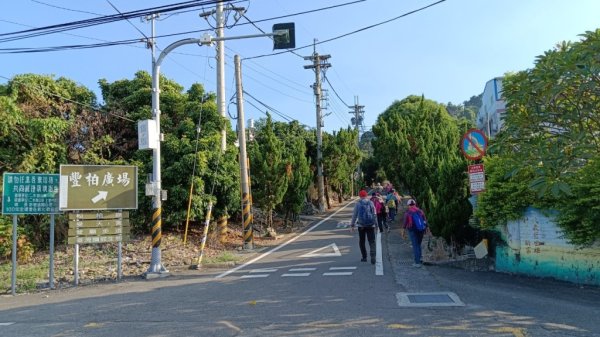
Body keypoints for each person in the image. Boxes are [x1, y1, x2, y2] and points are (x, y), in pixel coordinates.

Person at [351, 190, 377, 264]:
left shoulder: (358, 204)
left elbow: (354, 215)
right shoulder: (371, 203)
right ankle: (373, 256)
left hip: (361, 226)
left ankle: (364, 257)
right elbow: (374, 214)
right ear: (366, 195)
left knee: (362, 241)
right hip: (370, 225)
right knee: (372, 241)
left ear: (360, 196)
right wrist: (376, 224)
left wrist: (352, 225)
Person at [402, 199, 428, 267]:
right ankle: (420, 258)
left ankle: (417, 262)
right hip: (421, 230)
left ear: (408, 205)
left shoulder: (408, 213)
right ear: (415, 204)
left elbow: (404, 224)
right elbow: (425, 220)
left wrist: (403, 233)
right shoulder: (420, 211)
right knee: (418, 244)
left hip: (412, 230)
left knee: (415, 245)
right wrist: (426, 229)